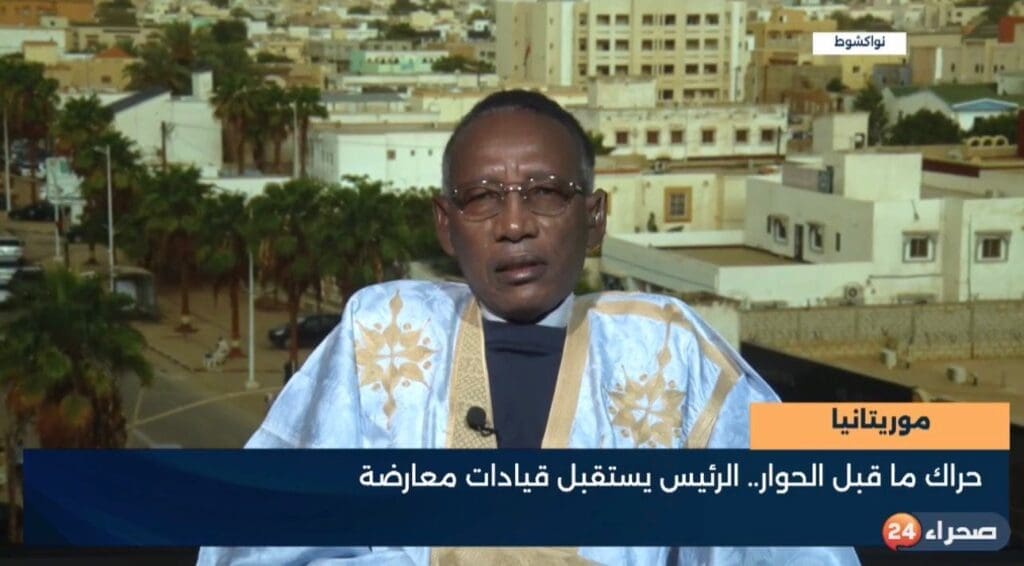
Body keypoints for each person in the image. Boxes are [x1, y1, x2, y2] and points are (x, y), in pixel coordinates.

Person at [198, 91, 860, 565]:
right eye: (482, 198)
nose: (514, 224)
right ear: (445, 225)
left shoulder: (665, 351)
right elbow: (259, 539)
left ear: (595, 219)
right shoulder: (382, 337)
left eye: (545, 192)